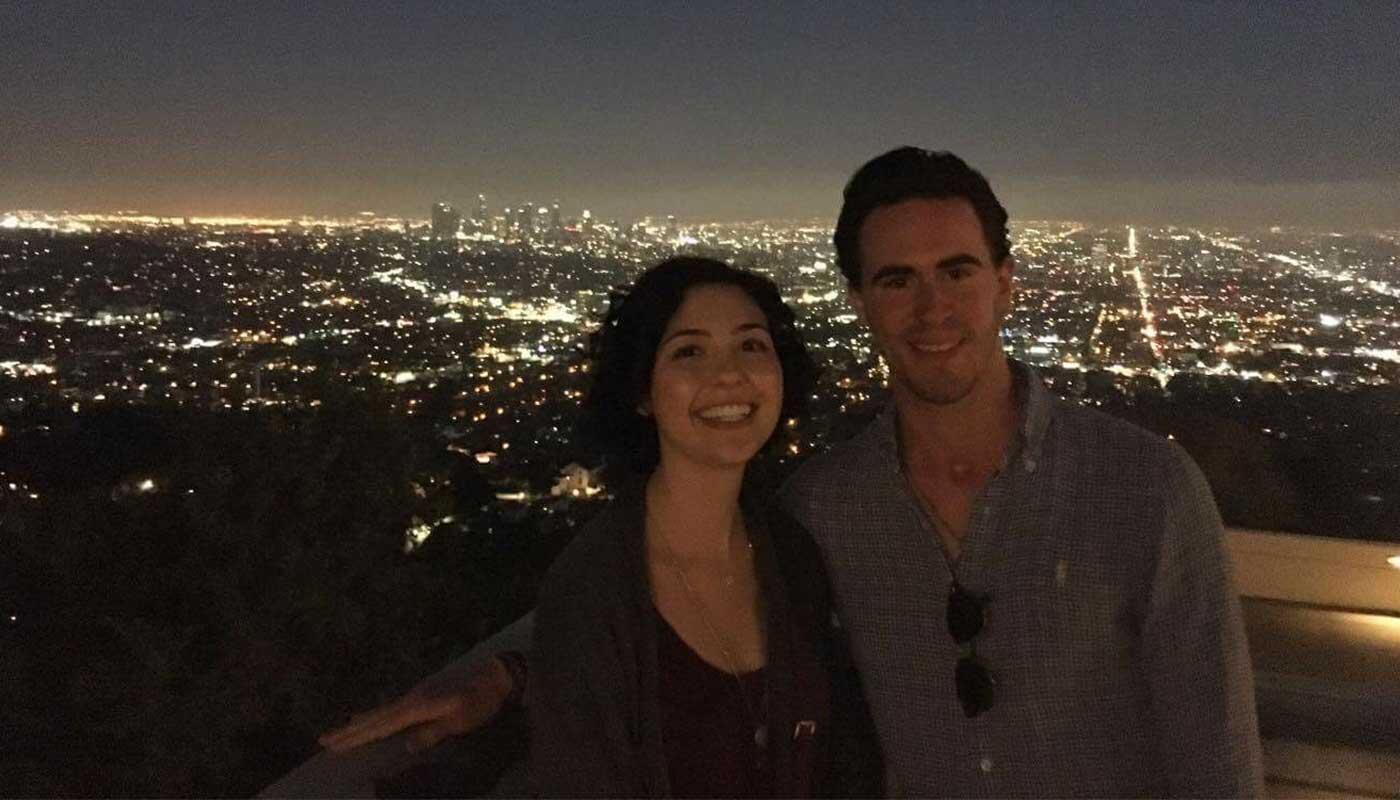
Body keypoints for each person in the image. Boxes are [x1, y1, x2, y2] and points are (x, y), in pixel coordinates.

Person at [323, 150, 1265, 797]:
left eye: (957, 271)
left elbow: (1217, 761)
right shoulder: (825, 510)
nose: (931, 306)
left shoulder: (1146, 492)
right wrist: (508, 676)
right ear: (859, 301)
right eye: (896, 279)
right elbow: (661, 624)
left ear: (1006, 285)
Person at [326, 257, 881, 798]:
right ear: (642, 392)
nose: (730, 374)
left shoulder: (792, 553)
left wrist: (518, 677)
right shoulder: (596, 585)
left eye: (752, 345)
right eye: (689, 351)